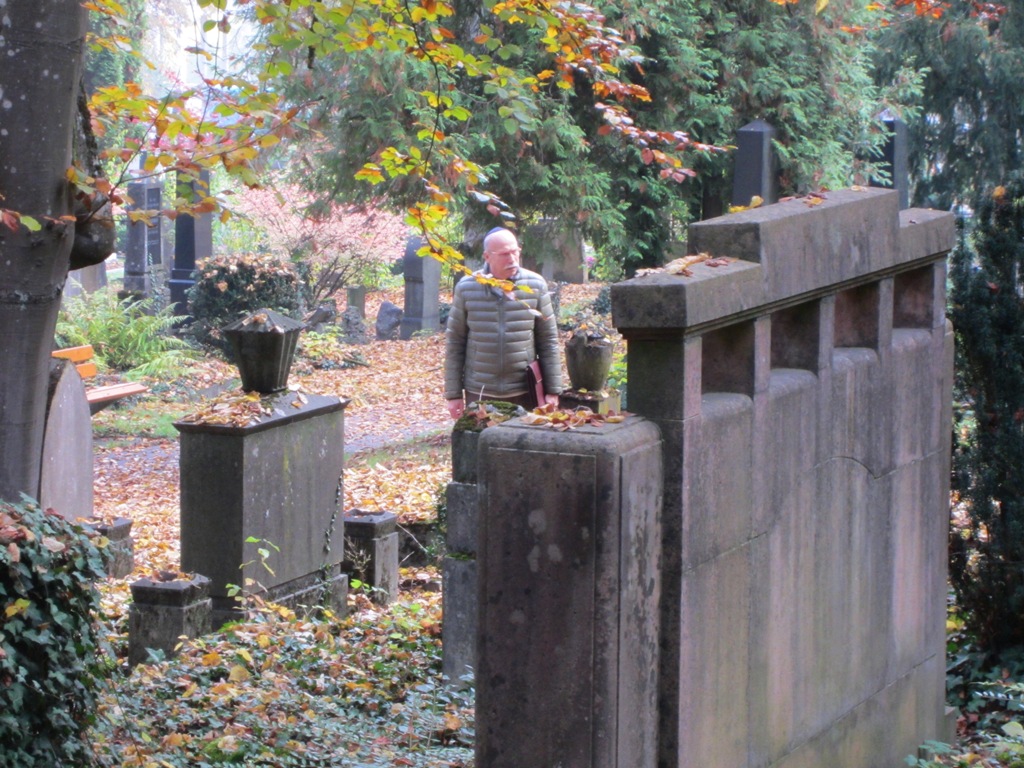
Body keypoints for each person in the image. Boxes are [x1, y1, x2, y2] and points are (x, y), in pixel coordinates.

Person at [444, 228, 562, 419]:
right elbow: (455, 342)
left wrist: (553, 389)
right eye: (505, 254)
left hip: (524, 390)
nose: (512, 259)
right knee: (479, 446)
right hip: (480, 391)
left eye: (515, 251)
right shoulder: (467, 288)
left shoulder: (535, 285)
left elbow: (548, 341)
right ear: (487, 257)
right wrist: (453, 394)